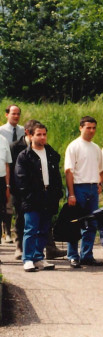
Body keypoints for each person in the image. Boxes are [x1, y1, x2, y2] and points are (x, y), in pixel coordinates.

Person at [14, 122, 63, 272]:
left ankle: (38, 257)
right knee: (31, 229)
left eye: (44, 134)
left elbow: (56, 176)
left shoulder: (51, 153)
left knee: (44, 229)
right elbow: (21, 179)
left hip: (49, 196)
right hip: (32, 197)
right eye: (39, 134)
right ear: (30, 135)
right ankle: (27, 259)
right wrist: (28, 196)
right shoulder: (24, 156)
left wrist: (57, 194)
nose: (42, 137)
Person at [64, 116, 103, 268]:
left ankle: (86, 255)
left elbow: (102, 170)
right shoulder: (74, 146)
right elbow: (68, 171)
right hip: (78, 187)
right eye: (88, 127)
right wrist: (72, 193)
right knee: (75, 223)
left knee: (92, 223)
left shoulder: (96, 148)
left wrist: (99, 183)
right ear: (81, 128)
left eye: (94, 128)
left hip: (92, 189)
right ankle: (73, 256)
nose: (92, 131)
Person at [0, 104, 23, 243]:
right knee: (6, 202)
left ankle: (17, 231)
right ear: (6, 115)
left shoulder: (23, 130)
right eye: (13, 113)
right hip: (6, 167)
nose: (16, 116)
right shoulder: (1, 132)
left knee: (18, 202)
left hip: (20, 169)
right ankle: (7, 232)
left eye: (18, 114)